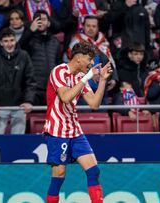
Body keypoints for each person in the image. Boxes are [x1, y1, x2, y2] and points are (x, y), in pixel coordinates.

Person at [44, 42, 112, 203]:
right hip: (56, 131)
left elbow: (94, 104)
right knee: (59, 175)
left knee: (94, 170)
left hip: (74, 130)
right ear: (79, 58)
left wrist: (102, 80)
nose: (91, 63)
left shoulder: (81, 77)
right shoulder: (59, 71)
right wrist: (87, 77)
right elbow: (65, 97)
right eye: (90, 59)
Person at [0, 28, 36, 134]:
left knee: (18, 142)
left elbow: (30, 81)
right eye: (6, 41)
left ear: (15, 40)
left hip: (20, 107)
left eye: (12, 40)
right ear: (1, 43)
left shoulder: (24, 56)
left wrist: (28, 101)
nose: (9, 44)